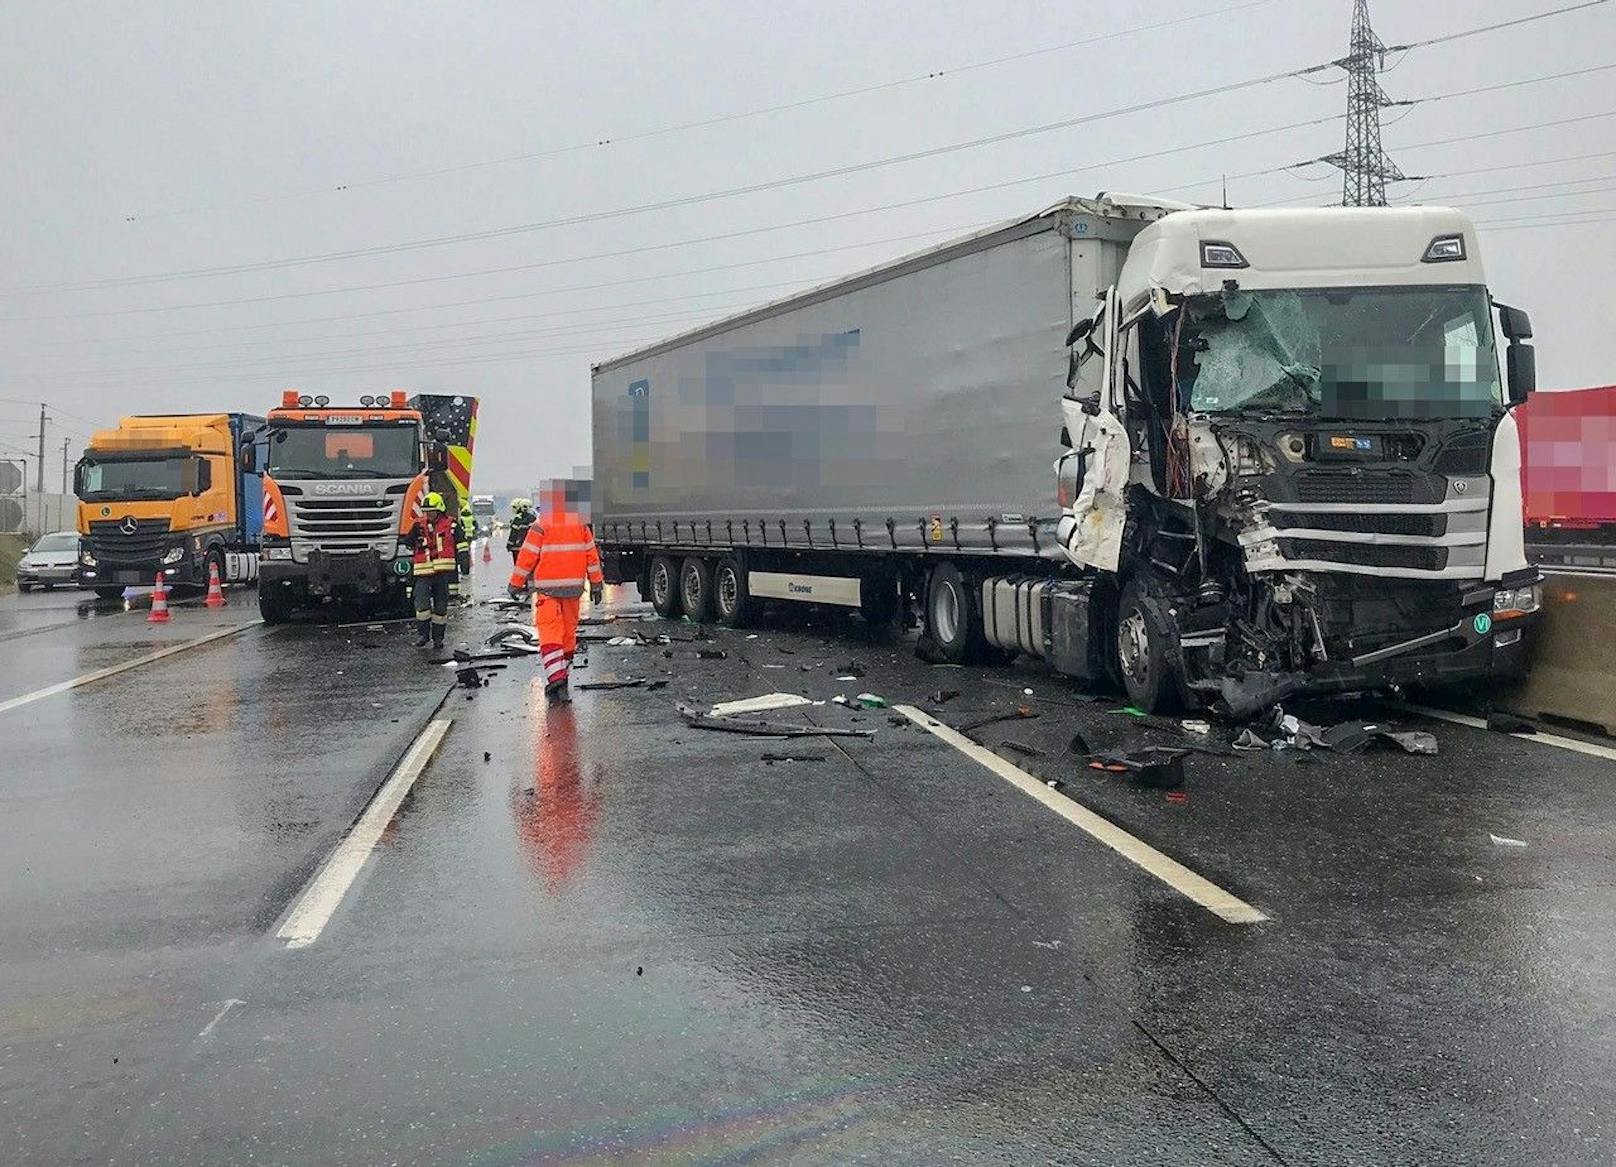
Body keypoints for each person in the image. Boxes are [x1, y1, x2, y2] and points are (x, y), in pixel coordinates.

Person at [508, 490, 603, 702]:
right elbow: (591, 556)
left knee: (550, 632)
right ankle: (563, 678)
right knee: (568, 633)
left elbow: (527, 557)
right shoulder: (580, 526)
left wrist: (515, 583)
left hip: (548, 590)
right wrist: (596, 583)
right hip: (573, 589)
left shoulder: (541, 525)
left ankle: (557, 678)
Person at [406, 491, 457, 649]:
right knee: (422, 606)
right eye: (427, 511)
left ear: (439, 510)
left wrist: (463, 560)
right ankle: (423, 635)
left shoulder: (451, 524)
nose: (429, 514)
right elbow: (408, 542)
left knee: (440, 608)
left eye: (432, 511)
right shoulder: (418, 525)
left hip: (442, 574)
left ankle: (438, 639)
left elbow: (460, 543)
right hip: (422, 573)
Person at [454, 497, 476, 604]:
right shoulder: (471, 517)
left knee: (463, 554)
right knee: (465, 554)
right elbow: (475, 526)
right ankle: (465, 568)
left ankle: (464, 568)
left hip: (462, 537)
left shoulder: (461, 518)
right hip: (468, 537)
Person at [506, 498, 535, 564]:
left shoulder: (518, 519)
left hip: (518, 547)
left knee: (519, 566)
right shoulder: (532, 517)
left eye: (514, 507)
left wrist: (509, 545)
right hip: (528, 547)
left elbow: (513, 534)